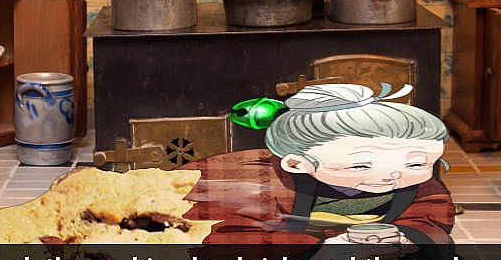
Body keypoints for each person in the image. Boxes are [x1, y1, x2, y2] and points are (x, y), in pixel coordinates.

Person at [181, 82, 454, 245]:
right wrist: (320, 251)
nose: (392, 175)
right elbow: (232, 237)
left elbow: (431, 218)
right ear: (296, 163)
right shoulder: (257, 182)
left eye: (417, 164)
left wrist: (406, 238)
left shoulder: (419, 187)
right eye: (360, 165)